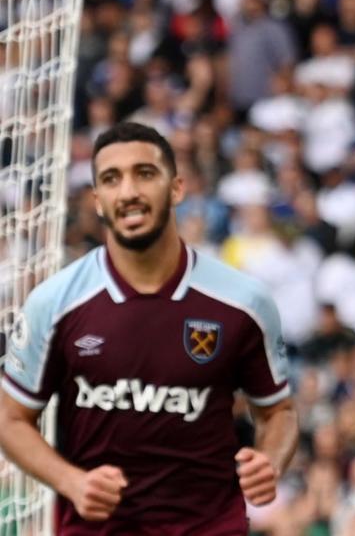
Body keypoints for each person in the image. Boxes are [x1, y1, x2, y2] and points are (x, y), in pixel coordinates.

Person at [0, 122, 298, 534]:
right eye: (111, 179)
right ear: (98, 202)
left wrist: (269, 461)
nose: (128, 192)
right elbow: (9, 418)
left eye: (144, 173)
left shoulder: (243, 302)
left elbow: (278, 411)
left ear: (176, 188)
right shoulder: (54, 303)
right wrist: (72, 481)